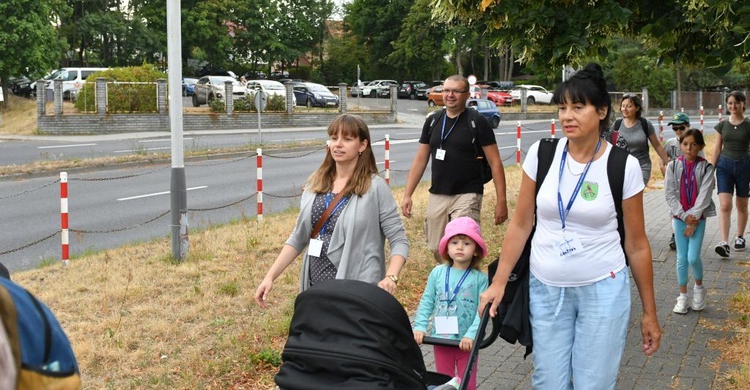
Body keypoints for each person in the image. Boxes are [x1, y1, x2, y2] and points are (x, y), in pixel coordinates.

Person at [479, 63, 660, 389]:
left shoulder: (623, 166)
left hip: (603, 290)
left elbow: (636, 244)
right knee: (548, 381)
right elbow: (521, 224)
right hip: (546, 288)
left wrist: (650, 312)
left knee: (593, 383)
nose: (567, 116)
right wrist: (499, 282)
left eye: (578, 107)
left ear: (602, 111)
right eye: (562, 107)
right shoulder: (542, 154)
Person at [254, 114, 409, 307]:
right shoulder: (315, 185)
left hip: (357, 288)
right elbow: (298, 237)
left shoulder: (375, 188)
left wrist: (391, 277)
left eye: (347, 139)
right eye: (334, 138)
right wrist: (270, 276)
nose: (338, 144)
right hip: (317, 282)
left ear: (362, 145)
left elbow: (399, 240)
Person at [401, 75, 508, 262]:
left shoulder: (477, 122)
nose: (450, 95)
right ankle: (447, 283)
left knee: (462, 247)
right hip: (438, 193)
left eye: (456, 91)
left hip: (467, 194)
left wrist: (502, 201)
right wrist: (408, 194)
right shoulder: (433, 121)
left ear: (466, 95)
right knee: (437, 247)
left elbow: (495, 162)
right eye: (446, 90)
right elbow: (420, 160)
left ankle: (467, 286)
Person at [413, 217, 489, 390]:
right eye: (454, 242)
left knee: (467, 385)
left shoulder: (480, 279)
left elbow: (482, 313)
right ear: (447, 247)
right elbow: (427, 300)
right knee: (444, 384)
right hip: (441, 339)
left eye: (466, 243)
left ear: (476, 249)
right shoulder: (438, 273)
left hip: (466, 342)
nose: (460, 247)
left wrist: (471, 335)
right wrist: (420, 326)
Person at [665, 128, 716, 314]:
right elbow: (669, 195)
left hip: (698, 219)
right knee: (681, 258)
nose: (689, 148)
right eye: (685, 144)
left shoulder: (707, 168)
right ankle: (682, 297)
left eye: (694, 144)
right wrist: (685, 217)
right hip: (679, 219)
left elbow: (705, 195)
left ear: (700, 146)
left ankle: (699, 289)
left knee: (693, 257)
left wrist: (693, 219)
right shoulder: (672, 166)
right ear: (680, 145)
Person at [710, 90, 750, 257]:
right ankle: (724, 242)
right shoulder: (722, 125)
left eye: (736, 103)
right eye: (730, 103)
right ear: (727, 105)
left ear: (743, 104)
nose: (733, 106)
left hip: (745, 166)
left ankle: (739, 237)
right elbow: (717, 148)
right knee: (725, 205)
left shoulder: (748, 125)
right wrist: (710, 170)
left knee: (742, 205)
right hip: (724, 166)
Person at [664, 112, 702, 251]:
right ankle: (675, 234)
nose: (678, 131)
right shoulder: (670, 143)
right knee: (673, 208)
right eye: (675, 128)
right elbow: (664, 159)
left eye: (681, 128)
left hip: (691, 184)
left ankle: (691, 229)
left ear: (688, 126)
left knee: (690, 207)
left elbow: (702, 163)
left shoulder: (694, 143)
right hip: (675, 184)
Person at [613, 93, 669, 186]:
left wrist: (668, 163)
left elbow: (657, 145)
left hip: (642, 166)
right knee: (624, 196)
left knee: (636, 192)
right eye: (623, 106)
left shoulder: (645, 124)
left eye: (629, 106)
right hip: (622, 167)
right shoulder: (616, 125)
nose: (625, 109)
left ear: (637, 108)